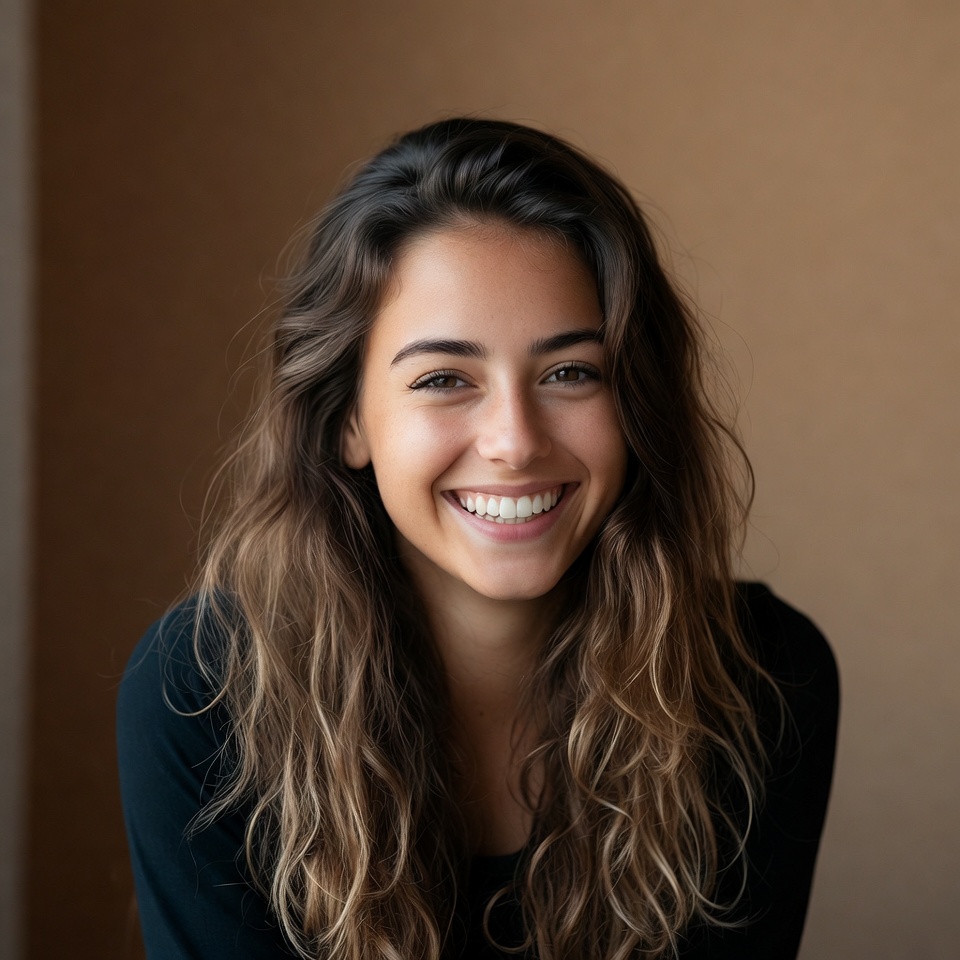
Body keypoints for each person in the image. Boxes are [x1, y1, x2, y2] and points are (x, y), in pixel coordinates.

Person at [117, 118, 839, 960]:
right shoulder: (203, 693)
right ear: (349, 419)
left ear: (635, 402)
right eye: (444, 379)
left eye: (570, 372)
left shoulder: (761, 681)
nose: (515, 440)